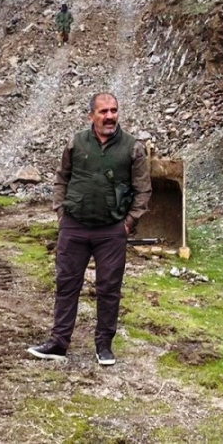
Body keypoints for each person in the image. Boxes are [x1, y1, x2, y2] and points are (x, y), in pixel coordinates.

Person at [28, 92, 152, 366]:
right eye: (103, 111)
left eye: (114, 110)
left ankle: (104, 346)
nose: (110, 116)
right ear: (91, 116)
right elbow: (62, 178)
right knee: (66, 284)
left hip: (111, 232)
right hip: (74, 227)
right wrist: (60, 213)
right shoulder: (76, 142)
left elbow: (143, 190)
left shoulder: (133, 147)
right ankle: (58, 343)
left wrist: (129, 223)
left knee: (109, 288)